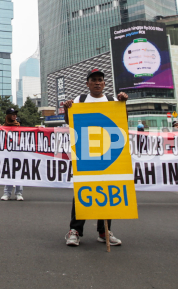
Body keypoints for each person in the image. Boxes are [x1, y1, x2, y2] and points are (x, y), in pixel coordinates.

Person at [62, 68, 128, 247]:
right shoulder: (80, 100)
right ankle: (75, 230)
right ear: (87, 84)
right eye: (94, 80)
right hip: (86, 151)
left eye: (100, 80)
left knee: (106, 190)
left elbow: (121, 120)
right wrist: (66, 109)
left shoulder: (113, 100)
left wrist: (123, 103)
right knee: (83, 190)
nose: (97, 82)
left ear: (104, 83)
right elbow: (70, 122)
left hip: (109, 151)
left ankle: (104, 231)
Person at [1, 107, 24, 201]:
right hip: (8, 152)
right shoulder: (3, 127)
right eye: (12, 114)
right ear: (8, 116)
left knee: (19, 172)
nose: (14, 116)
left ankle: (19, 193)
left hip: (18, 152)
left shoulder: (19, 126)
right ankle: (7, 193)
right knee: (8, 173)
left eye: (15, 114)